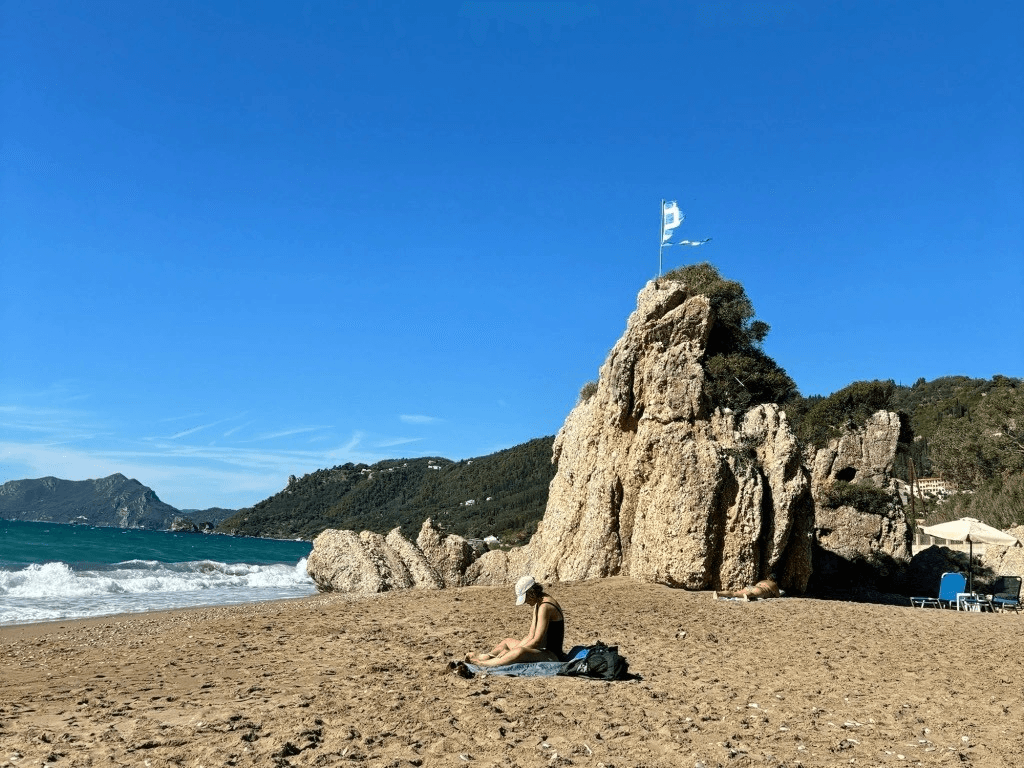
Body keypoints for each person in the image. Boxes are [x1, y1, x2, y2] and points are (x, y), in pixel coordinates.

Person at [465, 576, 566, 667]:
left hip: (552, 655)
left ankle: (484, 664)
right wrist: (509, 651)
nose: (525, 602)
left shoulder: (545, 606)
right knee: (507, 642)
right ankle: (488, 656)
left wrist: (511, 652)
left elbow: (537, 641)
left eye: (525, 598)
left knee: (519, 652)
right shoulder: (539, 603)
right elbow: (530, 636)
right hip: (542, 650)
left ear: (531, 593)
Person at [713, 574, 780, 601]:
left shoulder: (763, 581)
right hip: (759, 590)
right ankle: (747, 595)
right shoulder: (774, 584)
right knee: (752, 594)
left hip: (751, 587)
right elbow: (778, 595)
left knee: (734, 593)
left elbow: (756, 586)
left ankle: (719, 593)